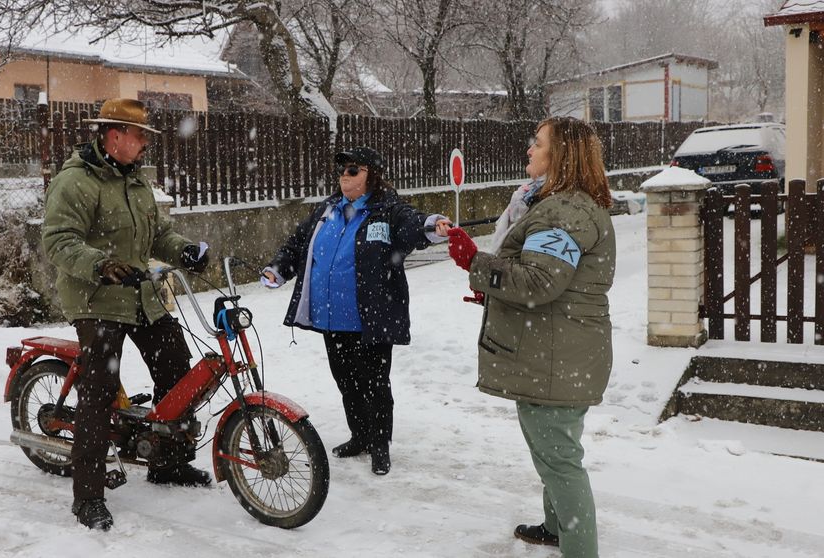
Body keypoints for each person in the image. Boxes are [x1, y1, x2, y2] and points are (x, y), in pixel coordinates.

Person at [435, 117, 615, 557]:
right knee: (549, 454)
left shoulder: (566, 211)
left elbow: (539, 284)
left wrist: (475, 262)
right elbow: (550, 282)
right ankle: (557, 527)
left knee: (560, 463)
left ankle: (579, 549)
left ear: (561, 156)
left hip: (556, 359)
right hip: (552, 353)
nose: (529, 151)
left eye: (538, 144)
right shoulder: (556, 204)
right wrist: (490, 287)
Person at [42, 98, 211, 531]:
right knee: (98, 392)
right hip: (96, 298)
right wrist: (99, 264)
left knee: (175, 366)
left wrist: (184, 250)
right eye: (139, 136)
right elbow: (58, 241)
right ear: (113, 134)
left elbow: (158, 236)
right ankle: (88, 496)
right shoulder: (75, 182)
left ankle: (167, 463)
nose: (144, 145)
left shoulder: (136, 182)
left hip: (139, 293)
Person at [262, 146, 451, 476]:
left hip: (370, 319)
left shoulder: (386, 211)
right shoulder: (328, 209)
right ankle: (359, 436)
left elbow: (412, 223)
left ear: (371, 176)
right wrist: (278, 268)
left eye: (353, 170)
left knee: (375, 383)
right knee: (346, 380)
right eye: (342, 171)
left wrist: (432, 224)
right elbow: (298, 243)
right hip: (332, 317)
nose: (344, 177)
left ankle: (380, 445)